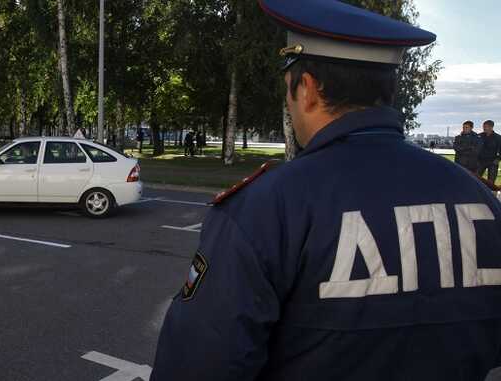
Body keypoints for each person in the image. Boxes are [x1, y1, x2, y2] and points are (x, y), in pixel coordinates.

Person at [151, 1, 501, 380]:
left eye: (289, 89)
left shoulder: (268, 206)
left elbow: (197, 365)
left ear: (308, 88)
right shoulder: (478, 198)